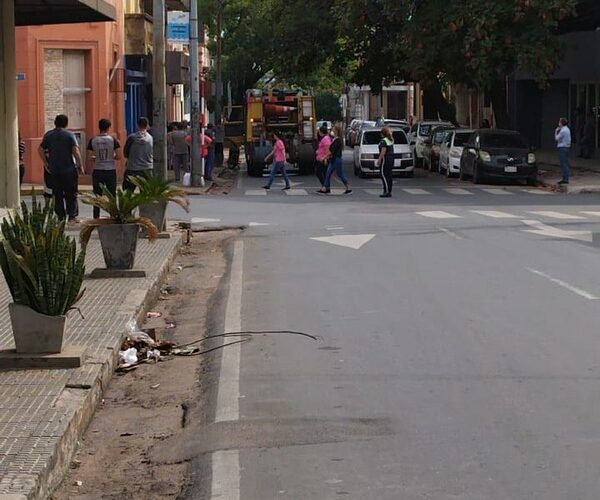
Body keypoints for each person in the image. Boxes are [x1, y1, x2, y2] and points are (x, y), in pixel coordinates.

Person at [38, 114, 84, 222]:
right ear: (66, 123)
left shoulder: (48, 135)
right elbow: (76, 151)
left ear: (55, 123)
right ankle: (72, 216)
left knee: (57, 194)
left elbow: (40, 149)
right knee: (71, 193)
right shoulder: (69, 135)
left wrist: (46, 162)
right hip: (69, 169)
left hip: (54, 170)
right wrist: (80, 165)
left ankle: (60, 217)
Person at [87, 118, 121, 218]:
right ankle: (113, 215)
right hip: (110, 169)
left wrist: (96, 157)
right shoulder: (113, 140)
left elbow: (89, 157)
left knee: (97, 195)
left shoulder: (93, 140)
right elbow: (119, 156)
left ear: (99, 127)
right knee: (111, 195)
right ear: (108, 128)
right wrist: (111, 156)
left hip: (98, 170)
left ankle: (96, 216)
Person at [318, 125, 352, 194]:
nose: (332, 131)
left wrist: (324, 157)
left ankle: (348, 187)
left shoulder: (338, 140)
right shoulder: (334, 139)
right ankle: (325, 188)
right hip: (333, 160)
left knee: (340, 174)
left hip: (337, 160)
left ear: (336, 131)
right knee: (328, 173)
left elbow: (332, 151)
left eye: (333, 129)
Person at [123, 116, 153, 191]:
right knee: (145, 193)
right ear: (147, 126)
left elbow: (125, 153)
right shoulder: (150, 138)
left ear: (137, 125)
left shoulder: (131, 138)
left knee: (127, 192)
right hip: (146, 169)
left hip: (132, 169)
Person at [378, 127, 395, 198]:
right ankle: (389, 190)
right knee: (389, 175)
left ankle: (387, 191)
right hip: (391, 158)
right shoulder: (390, 139)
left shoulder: (383, 141)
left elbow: (383, 151)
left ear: (382, 133)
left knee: (384, 175)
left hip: (385, 159)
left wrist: (379, 159)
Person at [555, 117, 571, 185]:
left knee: (563, 163)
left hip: (562, 147)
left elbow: (557, 138)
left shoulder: (563, 131)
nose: (558, 123)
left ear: (561, 123)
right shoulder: (567, 129)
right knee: (566, 163)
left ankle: (565, 178)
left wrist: (556, 131)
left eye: (559, 122)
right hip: (567, 147)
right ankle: (565, 177)